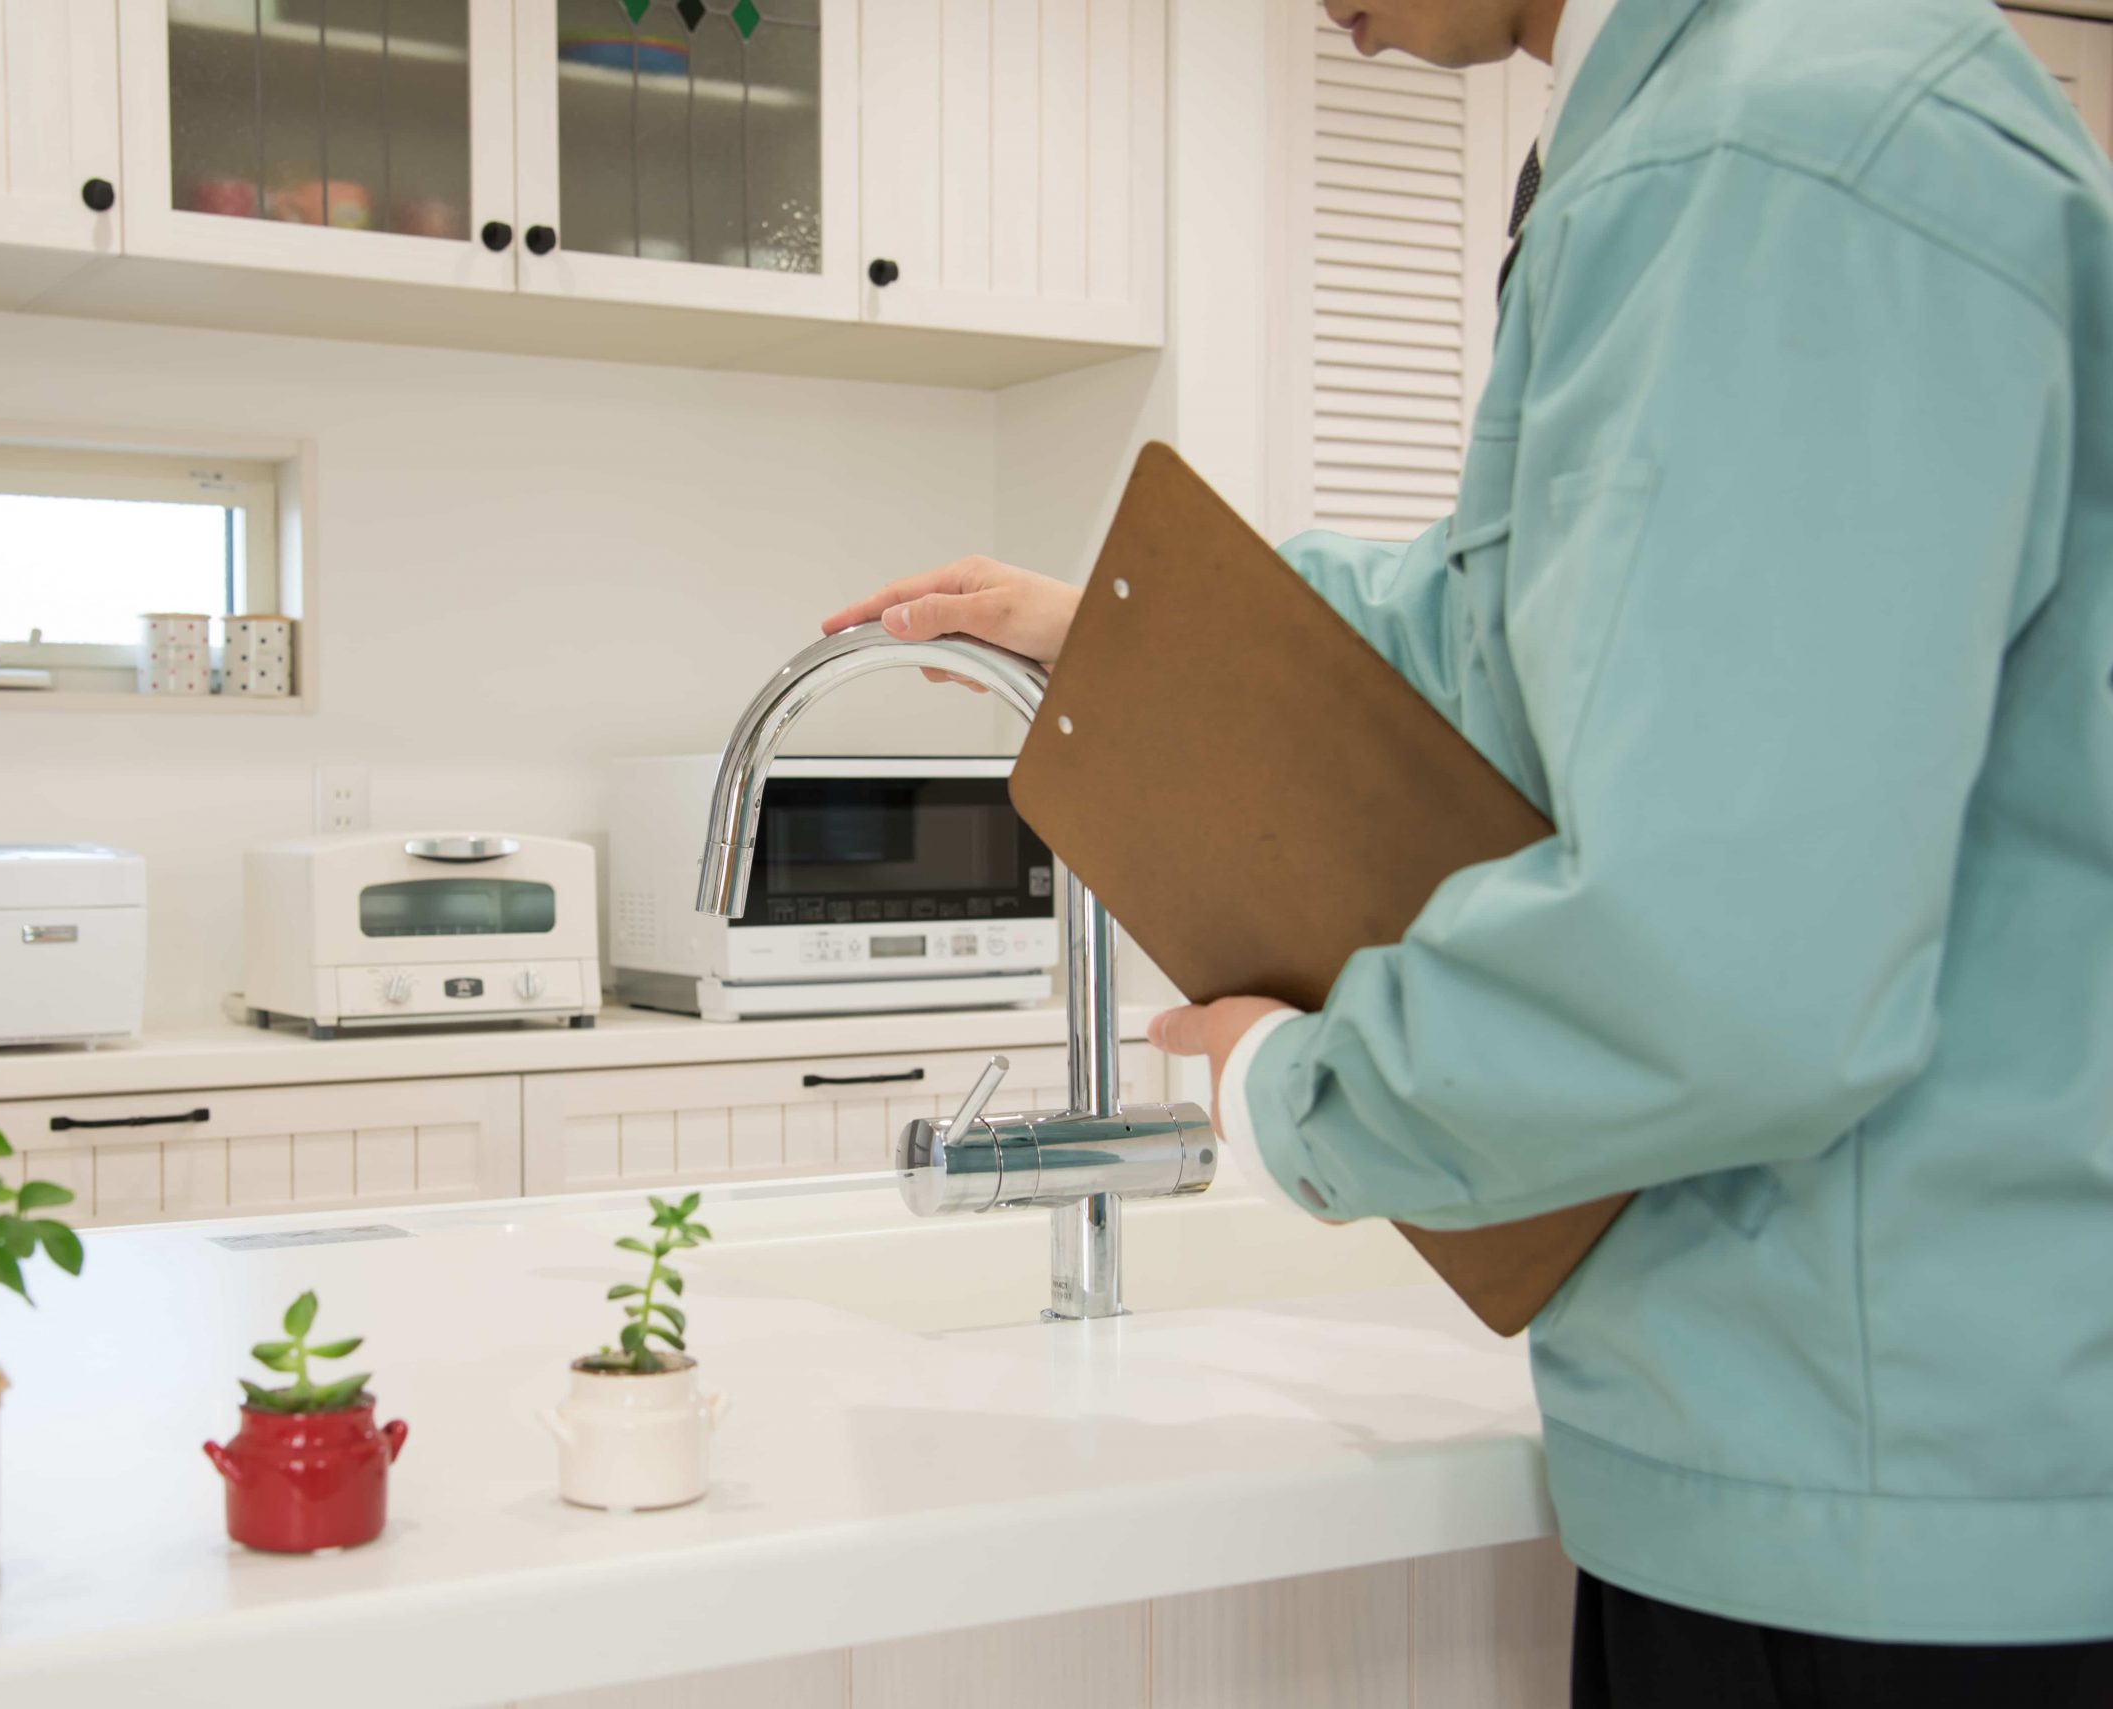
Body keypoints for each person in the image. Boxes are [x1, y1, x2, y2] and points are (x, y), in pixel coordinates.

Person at [823, 0, 2113, 1702]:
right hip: (1833, 1447)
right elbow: (1510, 628)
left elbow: (1730, 966)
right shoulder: (1732, 127)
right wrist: (1119, 631)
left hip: (1883, 1509)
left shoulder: (1775, 157)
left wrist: (1295, 1090)